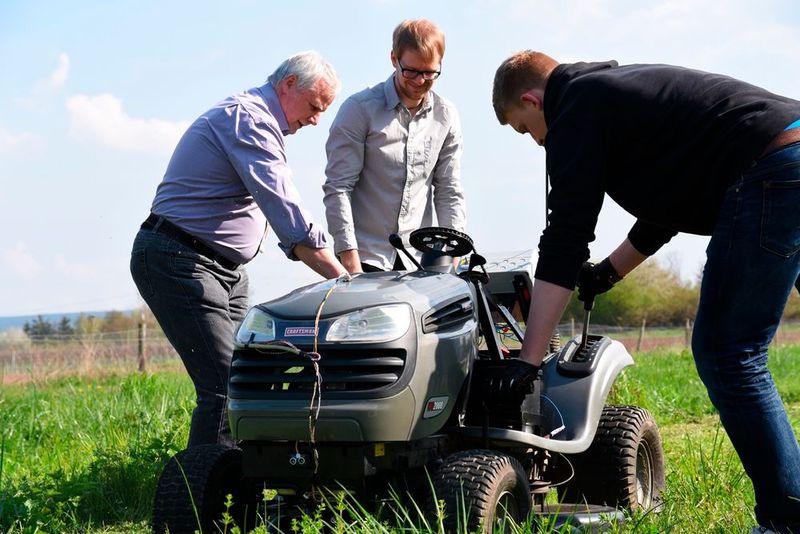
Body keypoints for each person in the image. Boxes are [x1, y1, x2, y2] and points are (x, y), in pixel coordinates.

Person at [491, 50, 800, 533]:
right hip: (790, 149)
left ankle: (788, 520)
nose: (536, 142)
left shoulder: (576, 108)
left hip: (773, 166)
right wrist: (606, 275)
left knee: (728, 353)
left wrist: (528, 360)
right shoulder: (619, 98)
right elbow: (667, 210)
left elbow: (567, 234)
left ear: (531, 100)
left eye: (524, 129)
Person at [130, 51, 348, 449]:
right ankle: (202, 501)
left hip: (224, 270)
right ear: (289, 86)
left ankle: (244, 484)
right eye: (315, 107)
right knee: (226, 384)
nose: (316, 119)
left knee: (247, 379)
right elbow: (290, 218)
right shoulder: (249, 119)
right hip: (181, 259)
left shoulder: (259, 121)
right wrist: (346, 283)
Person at [323, 19, 466, 273]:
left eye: (430, 73)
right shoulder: (359, 110)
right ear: (394, 59)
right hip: (366, 257)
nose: (420, 81)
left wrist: (453, 259)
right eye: (411, 71)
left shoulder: (446, 116)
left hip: (421, 261)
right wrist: (352, 266)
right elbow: (338, 188)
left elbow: (448, 189)